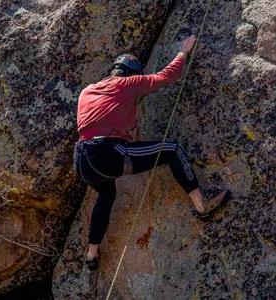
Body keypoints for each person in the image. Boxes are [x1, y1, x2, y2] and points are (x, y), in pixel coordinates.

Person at [72, 35, 230, 263]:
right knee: (172, 149)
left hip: (82, 160)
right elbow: (166, 76)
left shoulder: (88, 91)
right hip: (106, 152)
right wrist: (182, 52)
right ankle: (201, 205)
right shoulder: (125, 84)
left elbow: (102, 120)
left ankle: (91, 254)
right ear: (131, 74)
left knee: (106, 194)